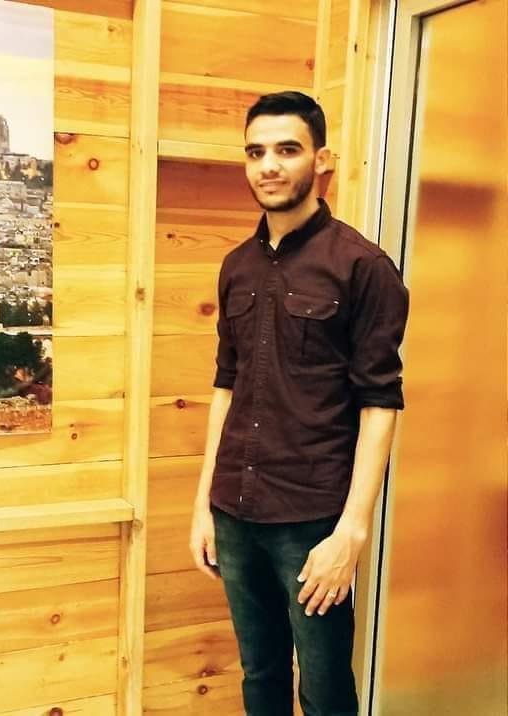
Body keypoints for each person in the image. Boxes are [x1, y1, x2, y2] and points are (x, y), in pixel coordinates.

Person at [189, 91, 409, 716]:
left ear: (321, 159)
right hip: (235, 511)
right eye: (256, 152)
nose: (269, 166)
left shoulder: (363, 267)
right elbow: (227, 386)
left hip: (313, 522)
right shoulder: (236, 266)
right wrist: (204, 505)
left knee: (324, 691)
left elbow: (380, 402)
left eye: (287, 149)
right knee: (259, 675)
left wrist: (352, 532)